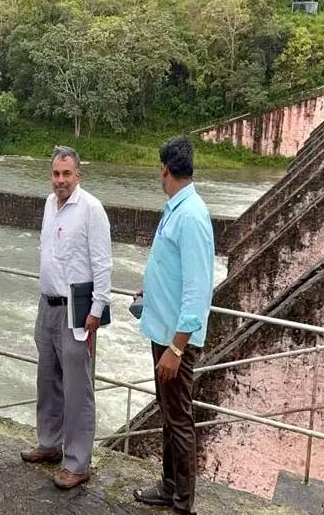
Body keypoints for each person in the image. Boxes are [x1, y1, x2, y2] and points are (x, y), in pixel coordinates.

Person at [20, 145, 112, 489]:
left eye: (66, 174)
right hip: (47, 305)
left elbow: (103, 265)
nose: (60, 180)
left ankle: (77, 462)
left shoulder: (92, 210)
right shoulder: (49, 204)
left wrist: (95, 312)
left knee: (77, 390)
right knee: (47, 380)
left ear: (78, 176)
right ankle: (49, 444)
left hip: (77, 311)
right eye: (56, 174)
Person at [132, 136, 214, 515]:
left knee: (180, 420)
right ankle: (168, 488)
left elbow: (197, 291)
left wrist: (177, 349)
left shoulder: (192, 215)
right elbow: (173, 269)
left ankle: (183, 503)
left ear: (164, 167)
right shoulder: (176, 209)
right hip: (163, 331)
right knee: (169, 415)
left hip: (175, 340)